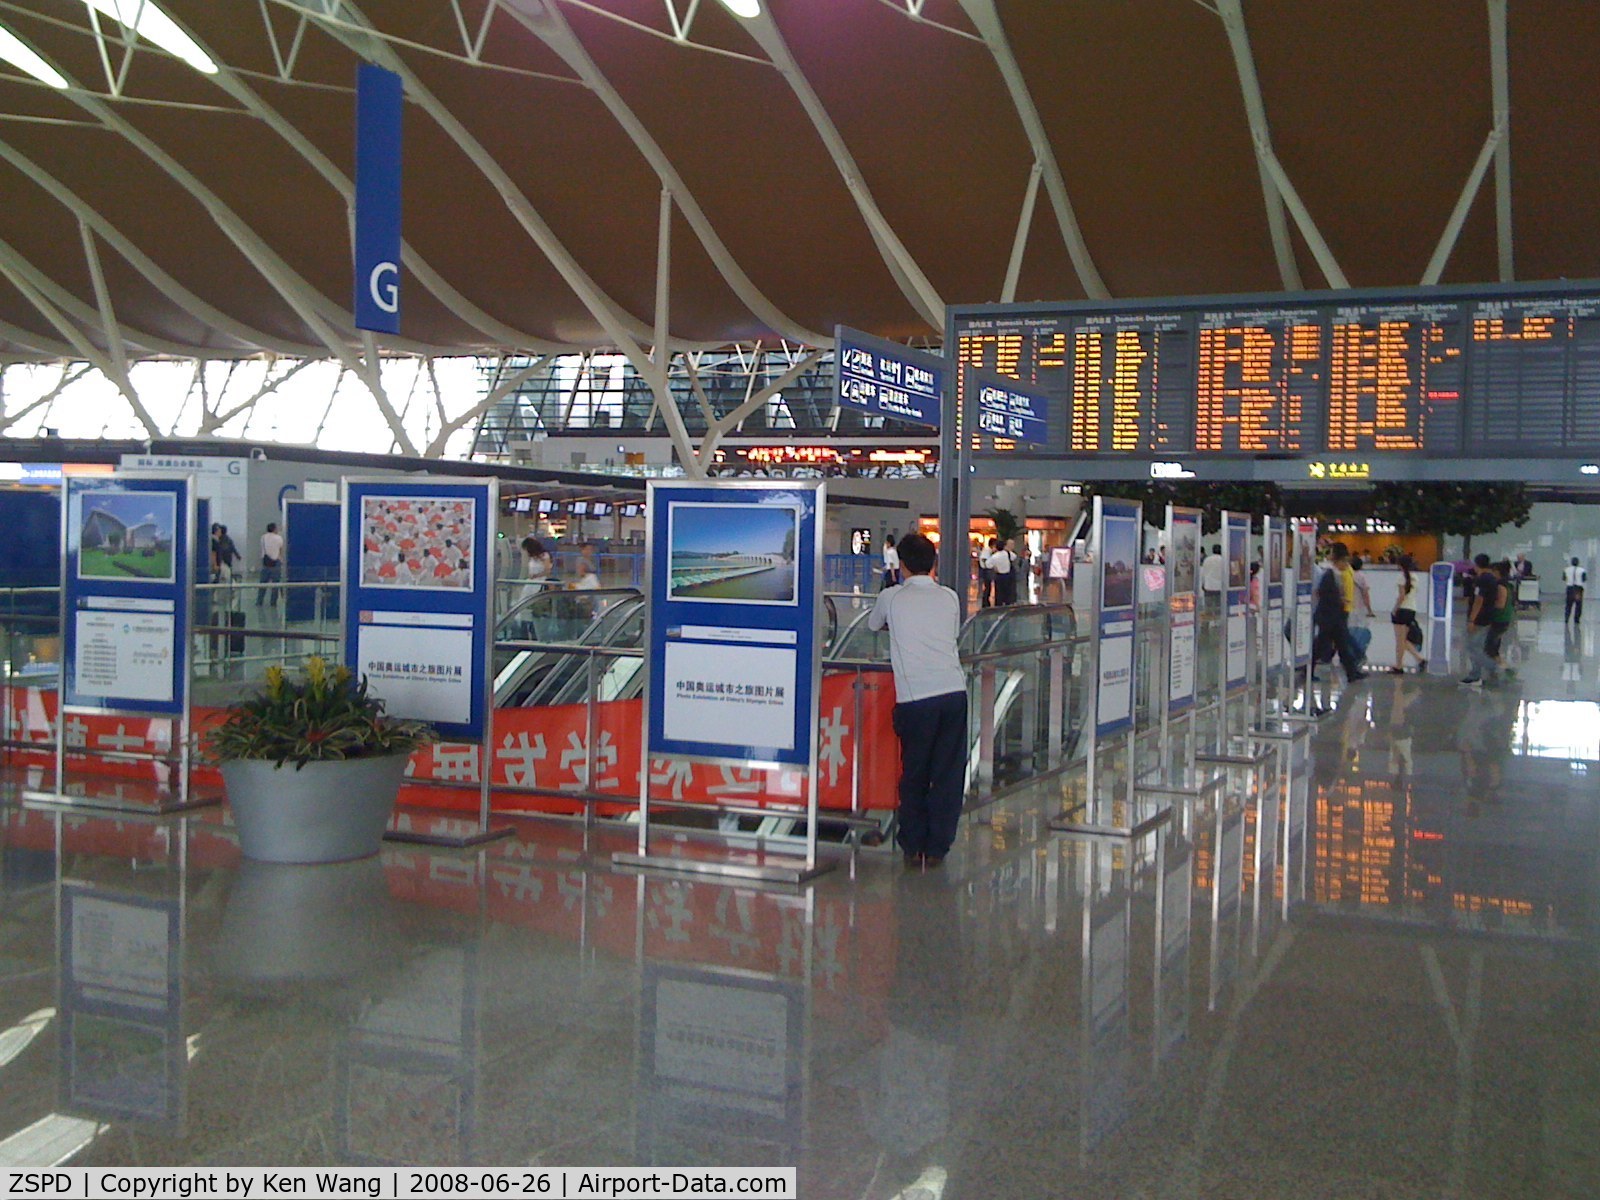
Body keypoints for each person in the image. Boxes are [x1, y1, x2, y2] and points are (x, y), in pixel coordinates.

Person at [868, 533, 967, 869]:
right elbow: (951, 633)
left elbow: (873, 624)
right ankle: (938, 847)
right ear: (933, 564)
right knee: (947, 773)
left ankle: (912, 845)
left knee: (915, 772)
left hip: (916, 698)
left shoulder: (891, 598)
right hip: (954, 691)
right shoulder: (951, 597)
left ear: (903, 565)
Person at [1312, 541, 1366, 682]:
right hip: (1329, 617)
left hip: (1335, 616)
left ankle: (1352, 672)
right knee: (1322, 645)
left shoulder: (1341, 573)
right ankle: (1308, 670)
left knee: (1341, 645)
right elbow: (1323, 593)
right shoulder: (1329, 574)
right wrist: (1340, 600)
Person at [1460, 553, 1498, 688]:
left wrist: (1472, 620)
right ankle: (1475, 673)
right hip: (1488, 616)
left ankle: (1490, 667)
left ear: (1477, 565)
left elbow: (1479, 600)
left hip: (1479, 619)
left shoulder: (1482, 579)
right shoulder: (1492, 578)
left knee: (1472, 646)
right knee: (1477, 646)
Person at [1387, 554, 1426, 674]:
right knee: (1403, 640)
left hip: (1402, 610)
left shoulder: (1401, 578)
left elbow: (1402, 596)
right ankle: (1419, 659)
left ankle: (1399, 666)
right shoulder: (1415, 577)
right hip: (1411, 609)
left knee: (1400, 641)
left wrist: (1394, 609)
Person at [257, 521, 283, 607]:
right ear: (274, 529)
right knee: (275, 584)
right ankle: (273, 602)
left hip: (265, 562)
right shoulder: (279, 538)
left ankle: (259, 601)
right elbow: (280, 550)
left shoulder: (263, 537)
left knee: (263, 584)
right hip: (276, 563)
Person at [988, 535, 1014, 605]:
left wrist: (995, 567)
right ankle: (1008, 605)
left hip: (999, 576)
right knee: (1008, 593)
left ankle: (999, 606)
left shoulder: (995, 556)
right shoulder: (1008, 553)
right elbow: (1014, 557)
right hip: (1008, 576)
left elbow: (988, 564)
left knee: (999, 594)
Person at [1564, 556, 1587, 624]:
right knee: (1578, 605)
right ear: (1578, 562)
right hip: (1578, 589)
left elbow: (1564, 578)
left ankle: (1566, 618)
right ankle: (1576, 619)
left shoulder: (1566, 569)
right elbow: (1584, 579)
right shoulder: (1582, 570)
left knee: (1568, 604)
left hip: (1570, 588)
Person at [977, 538, 995, 607]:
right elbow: (984, 559)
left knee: (988, 585)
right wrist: (987, 566)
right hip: (986, 570)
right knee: (987, 586)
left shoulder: (988, 550)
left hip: (986, 569)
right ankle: (985, 601)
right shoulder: (987, 550)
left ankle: (986, 600)